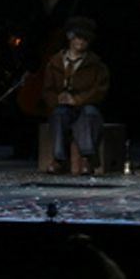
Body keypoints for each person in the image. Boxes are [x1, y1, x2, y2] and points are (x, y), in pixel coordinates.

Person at [42, 16, 110, 175]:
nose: (80, 41)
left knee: (89, 114)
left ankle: (87, 158)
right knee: (58, 115)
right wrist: (58, 99)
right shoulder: (55, 62)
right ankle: (59, 159)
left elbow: (100, 90)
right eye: (77, 37)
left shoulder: (96, 65)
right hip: (63, 107)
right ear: (69, 37)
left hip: (85, 104)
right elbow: (47, 90)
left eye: (85, 38)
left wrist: (78, 100)